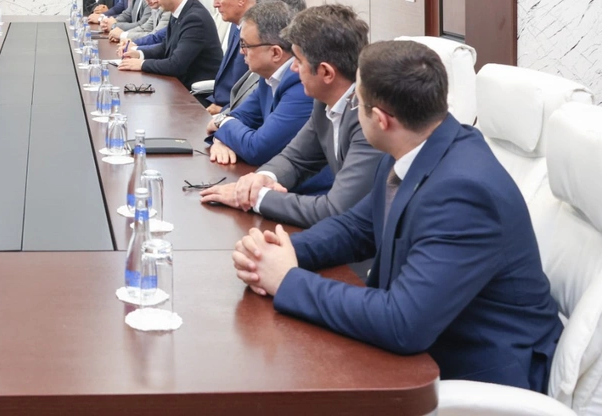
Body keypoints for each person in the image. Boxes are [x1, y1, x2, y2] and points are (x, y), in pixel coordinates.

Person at [232, 41, 563, 392]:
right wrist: (278, 252)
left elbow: (403, 323)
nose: (353, 110)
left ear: (381, 119)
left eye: (357, 102)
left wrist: (287, 280)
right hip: (423, 348)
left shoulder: (463, 192)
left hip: (478, 377)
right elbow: (358, 227)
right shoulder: (416, 144)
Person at [202, 4, 382, 227]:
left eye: (299, 61)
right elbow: (294, 159)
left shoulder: (369, 119)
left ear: (326, 72)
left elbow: (335, 210)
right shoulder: (323, 104)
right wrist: (262, 178)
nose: (293, 69)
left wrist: (256, 197)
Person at [206, 0, 314, 169]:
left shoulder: (301, 85)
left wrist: (221, 122)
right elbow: (239, 116)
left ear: (275, 53)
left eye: (245, 45)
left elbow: (258, 148)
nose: (241, 51)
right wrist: (221, 140)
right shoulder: (267, 77)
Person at [117, 0, 223, 90]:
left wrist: (142, 64)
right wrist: (138, 53)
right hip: (178, 85)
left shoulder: (195, 18)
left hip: (193, 93)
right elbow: (166, 47)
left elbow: (176, 65)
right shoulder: (179, 11)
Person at [204, 0, 256, 112]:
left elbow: (254, 92)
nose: (215, 3)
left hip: (234, 113)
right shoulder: (235, 25)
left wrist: (222, 111)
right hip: (217, 105)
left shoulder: (259, 34)